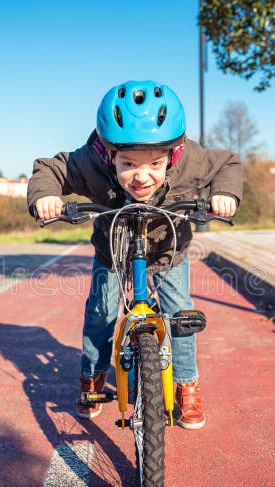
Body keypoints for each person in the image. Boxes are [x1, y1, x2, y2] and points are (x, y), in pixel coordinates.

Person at [27, 80, 242, 430]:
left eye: (155, 164)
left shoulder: (192, 160)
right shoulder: (89, 162)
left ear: (173, 153)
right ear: (108, 154)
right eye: (128, 164)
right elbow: (50, 169)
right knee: (101, 310)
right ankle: (93, 376)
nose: (142, 177)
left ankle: (186, 383)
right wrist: (45, 197)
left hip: (167, 248)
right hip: (113, 246)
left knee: (179, 312)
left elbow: (228, 165)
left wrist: (226, 193)